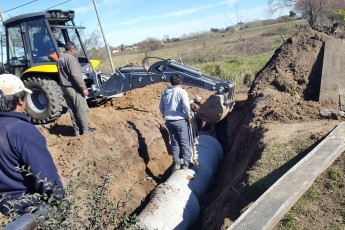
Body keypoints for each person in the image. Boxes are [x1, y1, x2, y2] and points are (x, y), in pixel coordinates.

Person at [0, 74, 64, 215]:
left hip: (5, 206)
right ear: (20, 101)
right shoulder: (23, 130)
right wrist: (60, 205)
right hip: (29, 206)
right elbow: (45, 178)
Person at [58, 41, 95, 136]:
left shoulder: (61, 59)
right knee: (82, 108)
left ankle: (77, 131)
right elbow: (75, 75)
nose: (75, 52)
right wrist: (83, 88)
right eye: (75, 50)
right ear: (72, 49)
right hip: (73, 88)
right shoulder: (71, 59)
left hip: (64, 87)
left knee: (72, 110)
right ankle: (86, 130)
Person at [159, 73, 192, 170]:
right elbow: (186, 105)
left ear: (171, 82)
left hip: (169, 121)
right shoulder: (181, 92)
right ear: (180, 82)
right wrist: (188, 114)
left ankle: (177, 164)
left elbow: (161, 107)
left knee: (175, 143)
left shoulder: (165, 92)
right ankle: (186, 164)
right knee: (184, 142)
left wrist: (165, 114)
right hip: (180, 120)